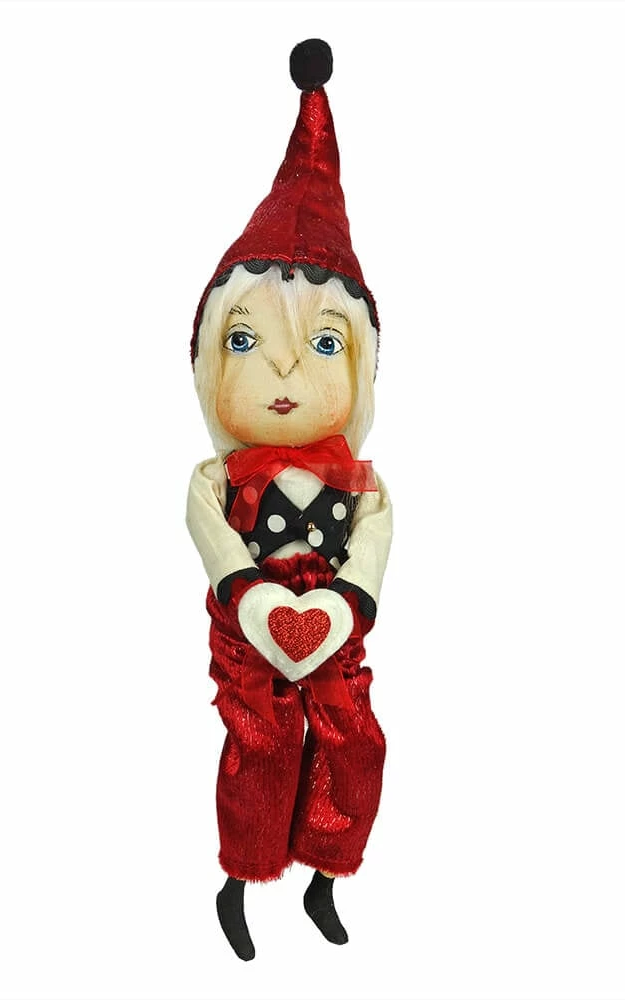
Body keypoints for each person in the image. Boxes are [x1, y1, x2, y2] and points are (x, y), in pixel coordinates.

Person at [186, 39, 392, 962]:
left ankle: (325, 877)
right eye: (245, 341)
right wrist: (249, 593)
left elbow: (375, 540)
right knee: (261, 746)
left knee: (354, 745)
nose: (281, 371)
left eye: (321, 346)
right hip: (250, 634)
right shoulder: (220, 480)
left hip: (335, 631)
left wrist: (347, 602)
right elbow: (210, 533)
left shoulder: (362, 482)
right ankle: (239, 880)